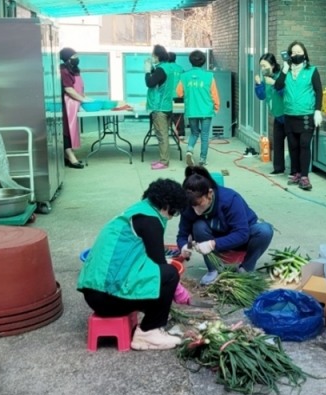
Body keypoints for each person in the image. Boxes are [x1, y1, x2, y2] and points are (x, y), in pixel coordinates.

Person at [77, 179, 189, 351]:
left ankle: (150, 322)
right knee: (169, 274)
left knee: (160, 275)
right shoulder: (150, 220)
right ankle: (148, 333)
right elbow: (158, 262)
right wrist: (178, 289)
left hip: (95, 294)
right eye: (173, 212)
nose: (171, 217)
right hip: (108, 300)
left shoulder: (136, 212)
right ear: (167, 205)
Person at [176, 166, 274, 285]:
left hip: (239, 240)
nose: (196, 210)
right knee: (198, 226)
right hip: (212, 240)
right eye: (192, 206)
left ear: (210, 193)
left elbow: (242, 234)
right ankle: (213, 270)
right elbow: (182, 235)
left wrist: (213, 244)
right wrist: (184, 246)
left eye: (199, 204)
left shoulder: (230, 199)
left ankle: (246, 269)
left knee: (265, 230)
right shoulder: (188, 205)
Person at [273, 41, 322, 191]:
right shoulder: (286, 71)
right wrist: (284, 70)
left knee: (304, 144)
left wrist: (318, 111)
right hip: (289, 114)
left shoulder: (312, 71)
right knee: (293, 146)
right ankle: (296, 173)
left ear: (305, 54)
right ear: (289, 55)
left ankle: (305, 177)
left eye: (299, 52)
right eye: (293, 53)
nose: (296, 55)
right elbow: (278, 86)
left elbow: (319, 91)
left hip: (306, 115)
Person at [176, 50, 220, 168]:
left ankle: (189, 150)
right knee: (204, 135)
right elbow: (214, 94)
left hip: (192, 110)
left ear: (190, 61)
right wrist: (216, 107)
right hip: (206, 110)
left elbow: (179, 93)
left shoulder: (184, 76)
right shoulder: (209, 76)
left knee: (194, 133)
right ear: (203, 62)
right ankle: (202, 159)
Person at [144, 44, 177, 170]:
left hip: (159, 108)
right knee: (164, 135)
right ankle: (163, 159)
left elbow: (150, 83)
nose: (152, 57)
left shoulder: (161, 70)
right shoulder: (168, 67)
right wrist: (152, 69)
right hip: (167, 106)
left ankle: (164, 162)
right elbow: (161, 79)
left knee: (162, 136)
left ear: (157, 56)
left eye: (153, 55)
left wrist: (147, 71)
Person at [255, 53, 286, 175]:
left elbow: (285, 93)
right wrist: (258, 84)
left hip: (287, 114)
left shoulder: (280, 76)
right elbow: (262, 96)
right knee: (277, 142)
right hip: (277, 115)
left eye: (265, 66)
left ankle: (296, 172)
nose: (262, 69)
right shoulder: (265, 78)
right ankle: (278, 168)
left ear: (272, 65)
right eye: (261, 66)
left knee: (294, 145)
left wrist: (274, 82)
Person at [59, 47, 90, 169]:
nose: (76, 58)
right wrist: (83, 100)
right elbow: (69, 89)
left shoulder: (74, 69)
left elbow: (79, 87)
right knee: (67, 130)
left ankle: (67, 157)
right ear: (67, 58)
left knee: (73, 130)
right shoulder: (63, 71)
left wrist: (85, 98)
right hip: (67, 104)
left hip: (75, 102)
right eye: (73, 56)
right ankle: (71, 158)